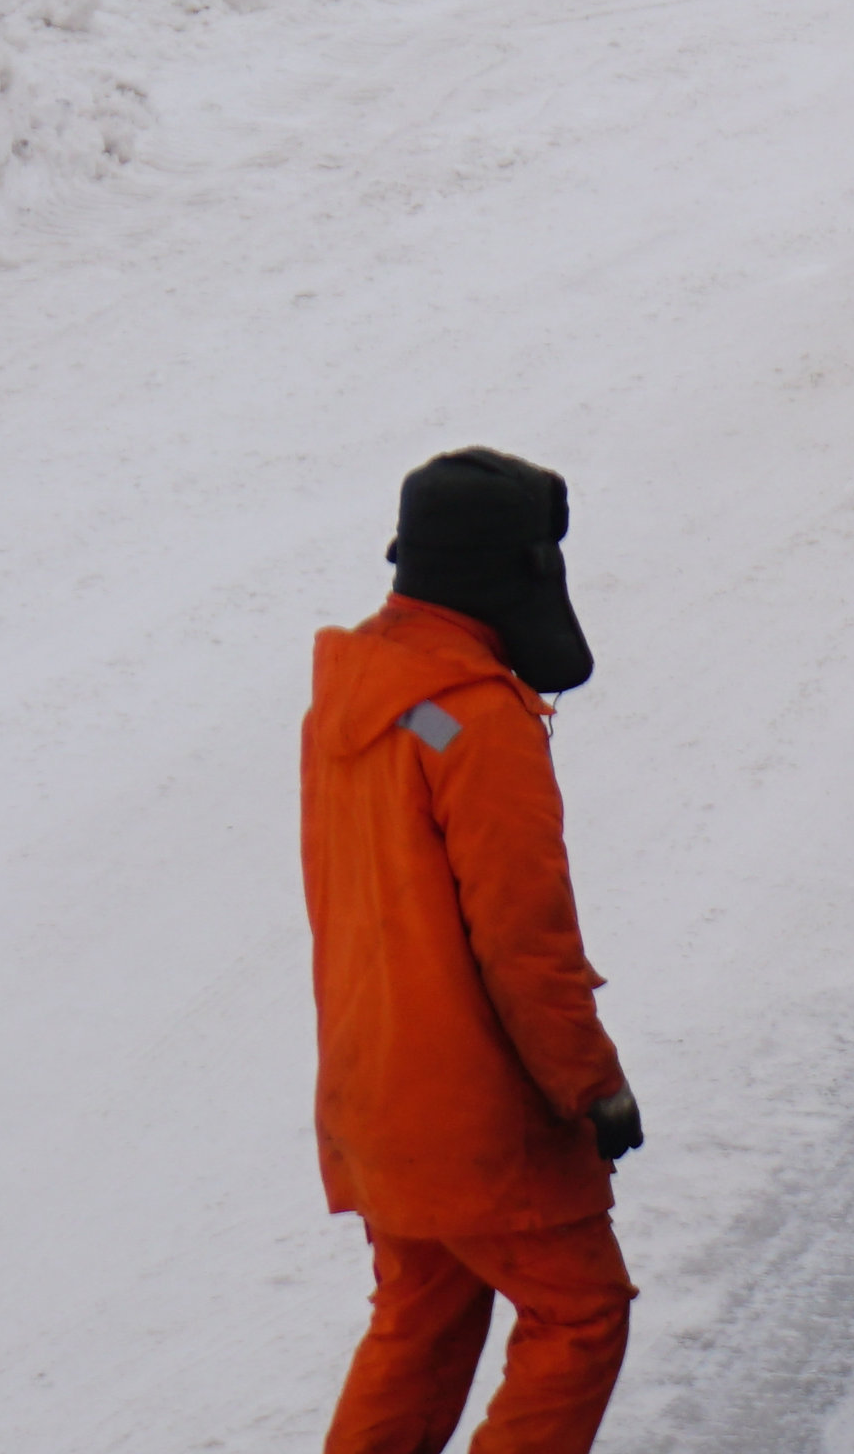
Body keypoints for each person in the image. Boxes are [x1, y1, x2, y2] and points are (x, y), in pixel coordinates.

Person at [306, 449, 644, 1454]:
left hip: (375, 1095)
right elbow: (524, 941)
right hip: (476, 1111)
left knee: (422, 1320)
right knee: (579, 1313)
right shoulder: (479, 721)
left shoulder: (359, 697)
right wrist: (592, 1087)